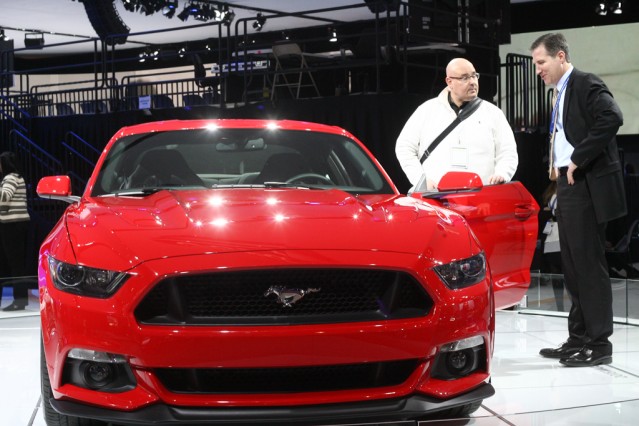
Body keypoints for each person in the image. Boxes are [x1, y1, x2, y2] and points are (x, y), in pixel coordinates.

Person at [531, 33, 626, 367]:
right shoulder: (561, 91)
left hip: (585, 183)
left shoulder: (585, 82)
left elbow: (612, 117)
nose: (538, 70)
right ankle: (579, 338)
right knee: (572, 266)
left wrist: (578, 158)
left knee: (587, 265)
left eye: (541, 62)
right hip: (568, 185)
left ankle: (599, 345)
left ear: (560, 56)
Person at [395, 57, 518, 190]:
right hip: (435, 195)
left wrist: (503, 173)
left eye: (474, 76)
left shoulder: (493, 113)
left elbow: (508, 151)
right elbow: (404, 147)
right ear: (449, 82)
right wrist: (420, 180)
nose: (472, 82)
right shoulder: (427, 110)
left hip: (481, 195)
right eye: (464, 78)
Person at [0, 151, 32, 311]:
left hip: (12, 225)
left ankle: (19, 301)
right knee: (17, 264)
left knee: (15, 265)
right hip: (17, 224)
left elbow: (4, 198)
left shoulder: (10, 178)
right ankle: (20, 300)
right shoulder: (17, 177)